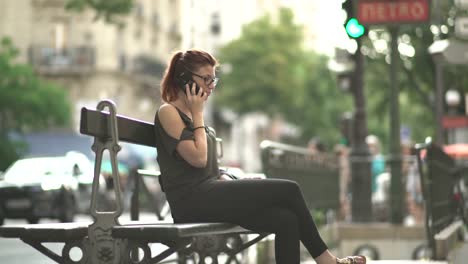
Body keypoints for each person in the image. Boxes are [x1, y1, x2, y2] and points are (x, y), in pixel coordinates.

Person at [153, 49, 366, 264]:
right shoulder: (168, 112)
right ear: (184, 78)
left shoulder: (193, 114)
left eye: (213, 80)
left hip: (209, 194)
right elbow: (198, 159)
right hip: (191, 202)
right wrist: (198, 114)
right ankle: (327, 261)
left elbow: (208, 168)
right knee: (290, 189)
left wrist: (235, 182)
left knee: (286, 220)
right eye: (206, 79)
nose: (210, 87)